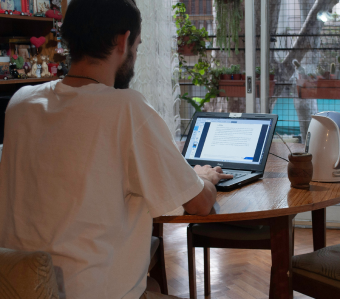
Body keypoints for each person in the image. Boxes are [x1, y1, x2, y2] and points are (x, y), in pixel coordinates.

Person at [0, 0, 232, 298]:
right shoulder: (126, 108)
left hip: (17, 287)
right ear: (123, 41)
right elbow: (199, 204)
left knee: (153, 285)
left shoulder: (21, 104)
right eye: (137, 44)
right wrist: (204, 177)